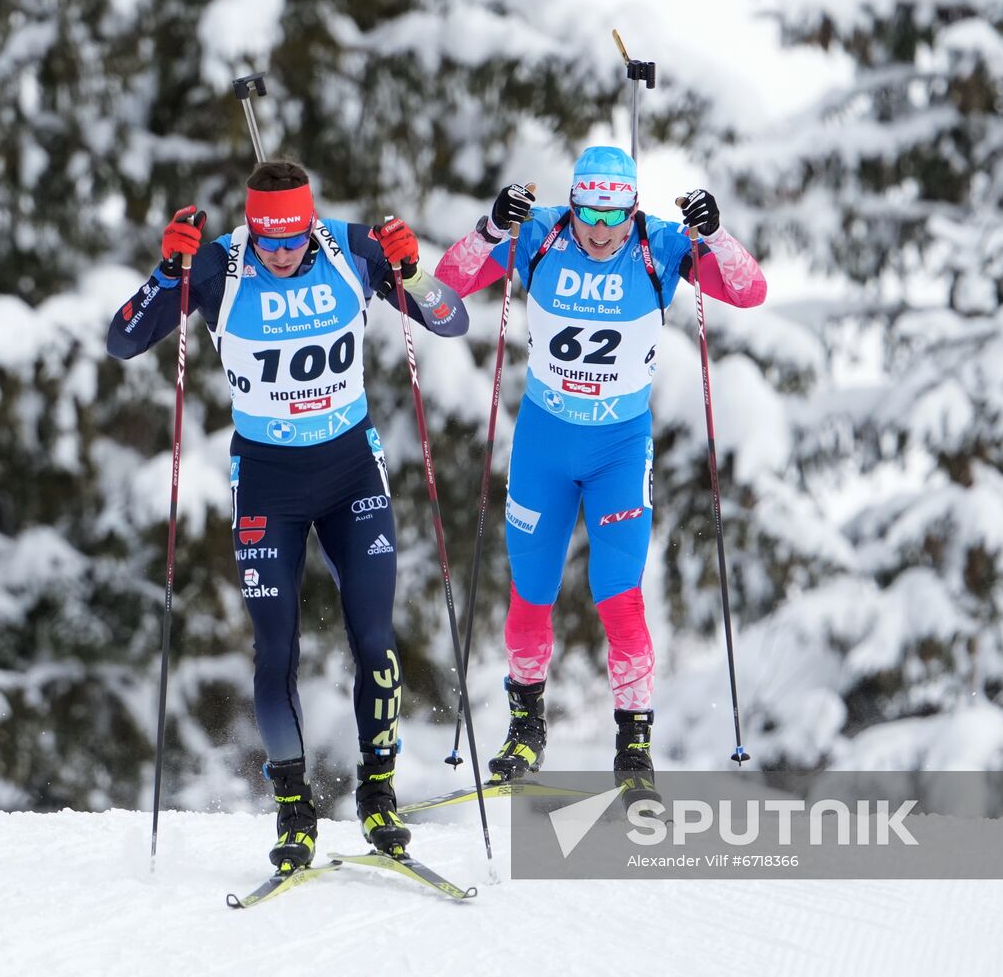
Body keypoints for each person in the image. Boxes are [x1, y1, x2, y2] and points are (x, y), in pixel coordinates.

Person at [107, 160, 469, 872]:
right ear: (252, 228)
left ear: (310, 222)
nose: (280, 254)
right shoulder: (217, 266)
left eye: (293, 239)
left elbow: (450, 320)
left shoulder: (352, 249)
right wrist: (164, 271)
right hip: (267, 483)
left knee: (373, 638)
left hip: (349, 474)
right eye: (269, 241)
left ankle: (378, 793)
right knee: (275, 651)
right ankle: (294, 809)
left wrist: (414, 272)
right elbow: (122, 341)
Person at [435, 145, 765, 796]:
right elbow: (452, 278)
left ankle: (634, 748)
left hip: (619, 450)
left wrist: (716, 234)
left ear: (631, 208)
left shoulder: (660, 246)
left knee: (620, 594)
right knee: (531, 594)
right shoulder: (541, 234)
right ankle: (526, 729)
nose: (601, 229)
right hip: (543, 447)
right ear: (575, 202)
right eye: (589, 211)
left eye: (614, 214)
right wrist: (491, 226)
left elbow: (750, 290)